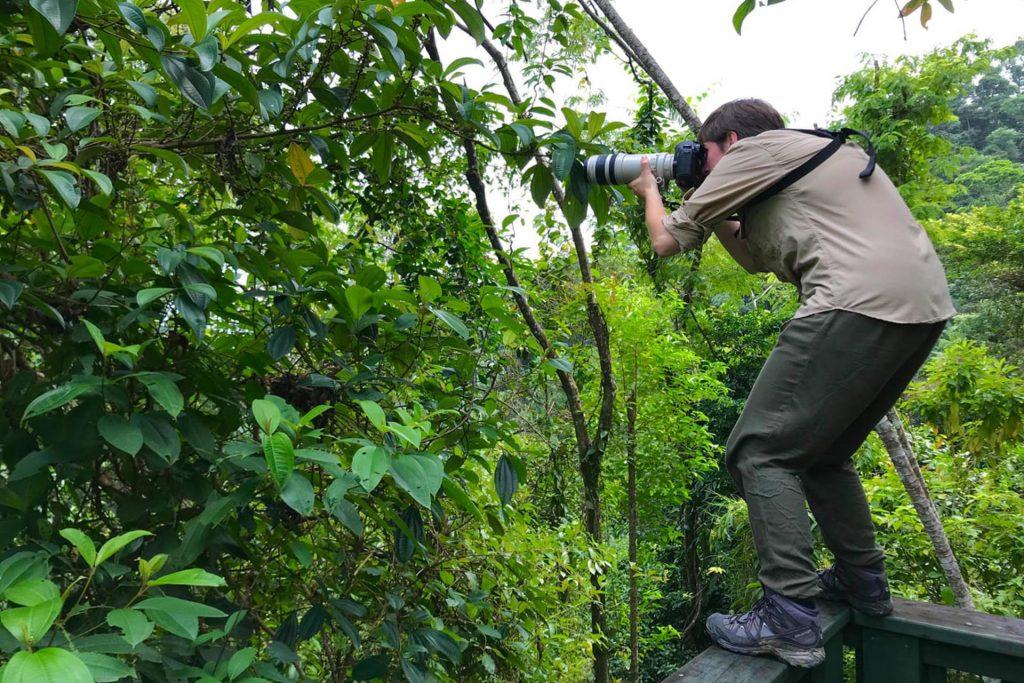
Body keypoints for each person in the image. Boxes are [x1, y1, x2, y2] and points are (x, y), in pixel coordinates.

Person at [628, 98, 955, 668]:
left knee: (758, 451)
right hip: (921, 307)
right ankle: (862, 582)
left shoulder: (752, 153)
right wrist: (710, 204)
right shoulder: (807, 152)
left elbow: (665, 242)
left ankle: (789, 617)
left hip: (853, 304)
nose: (702, 166)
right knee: (825, 453)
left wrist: (649, 191)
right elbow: (755, 259)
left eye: (704, 156)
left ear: (728, 141)